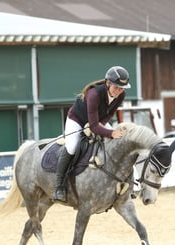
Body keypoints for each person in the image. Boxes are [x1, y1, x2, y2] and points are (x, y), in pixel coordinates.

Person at [53, 66, 132, 202]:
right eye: (116, 87)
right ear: (108, 83)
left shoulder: (121, 94)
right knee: (71, 147)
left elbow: (109, 114)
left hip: (97, 120)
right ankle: (59, 186)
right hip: (77, 119)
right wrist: (110, 132)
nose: (119, 91)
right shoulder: (94, 94)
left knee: (120, 142)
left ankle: (126, 183)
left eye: (122, 88)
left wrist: (105, 127)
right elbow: (94, 127)